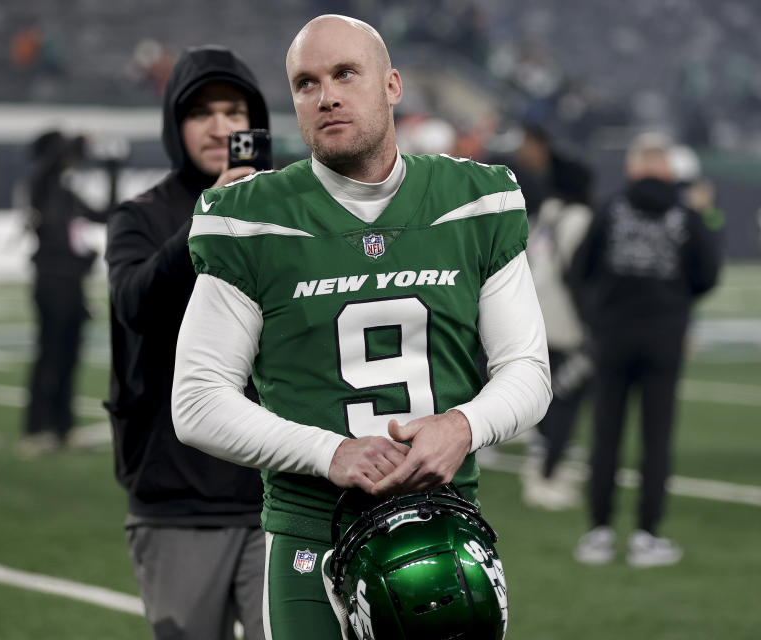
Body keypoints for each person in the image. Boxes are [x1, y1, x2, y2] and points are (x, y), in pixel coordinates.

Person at [171, 16, 551, 639]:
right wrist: (333, 453)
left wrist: (463, 427)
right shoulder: (251, 218)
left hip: (445, 532)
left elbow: (529, 374)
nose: (327, 96)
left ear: (393, 85)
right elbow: (197, 401)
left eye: (346, 73)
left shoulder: (474, 200)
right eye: (306, 83)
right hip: (310, 537)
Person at [104, 46, 269, 640]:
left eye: (233, 110)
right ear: (176, 125)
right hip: (177, 493)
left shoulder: (289, 207)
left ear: (257, 123)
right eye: (200, 112)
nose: (220, 126)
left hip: (280, 490)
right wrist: (209, 216)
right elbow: (134, 304)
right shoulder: (139, 217)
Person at [569, 133, 720, 567]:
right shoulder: (686, 215)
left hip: (612, 335)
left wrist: (594, 317)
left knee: (605, 436)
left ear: (633, 169)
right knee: (657, 439)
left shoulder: (610, 210)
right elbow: (708, 274)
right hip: (664, 338)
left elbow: (580, 269)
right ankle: (646, 536)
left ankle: (598, 533)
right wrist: (675, 300)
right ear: (670, 171)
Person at [20, 131, 116, 456]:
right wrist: (77, 142)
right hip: (50, 283)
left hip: (74, 284)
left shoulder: (67, 193)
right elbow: (50, 164)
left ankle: (64, 426)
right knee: (49, 355)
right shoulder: (40, 188)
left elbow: (106, 213)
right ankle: (35, 428)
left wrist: (112, 169)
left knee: (70, 358)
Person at [521, 157, 596, 510]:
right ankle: (547, 474)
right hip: (566, 320)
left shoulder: (546, 214)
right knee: (567, 398)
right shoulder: (579, 218)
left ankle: (542, 468)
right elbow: (581, 274)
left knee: (548, 398)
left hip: (537, 312)